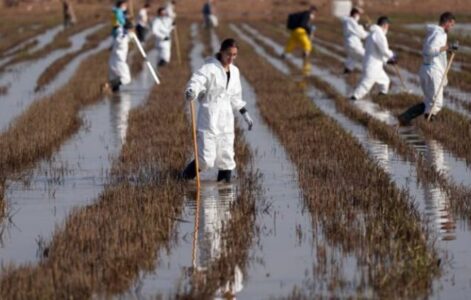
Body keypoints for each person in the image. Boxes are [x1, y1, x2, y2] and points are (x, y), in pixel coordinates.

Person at [182, 38, 254, 183]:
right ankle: (183, 179)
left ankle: (224, 193)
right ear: (221, 51)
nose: (231, 58)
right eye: (228, 54)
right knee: (206, 160)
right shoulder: (209, 68)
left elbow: (234, 96)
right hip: (209, 116)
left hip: (226, 118)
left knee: (227, 157)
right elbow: (197, 81)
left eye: (234, 55)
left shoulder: (235, 71)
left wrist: (244, 112)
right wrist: (191, 91)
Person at [398, 12, 457, 125]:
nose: (452, 27)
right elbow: (429, 50)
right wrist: (447, 47)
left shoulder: (435, 32)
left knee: (429, 101)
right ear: (447, 22)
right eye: (452, 24)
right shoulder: (438, 34)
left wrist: (446, 50)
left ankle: (405, 117)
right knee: (437, 103)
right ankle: (428, 126)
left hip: (427, 69)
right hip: (432, 71)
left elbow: (435, 49)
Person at [350, 16, 397, 101]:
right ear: (384, 25)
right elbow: (383, 49)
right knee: (364, 87)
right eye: (388, 25)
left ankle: (382, 99)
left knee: (385, 81)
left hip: (376, 65)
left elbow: (377, 51)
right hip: (372, 66)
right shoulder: (378, 34)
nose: (388, 27)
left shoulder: (374, 33)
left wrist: (388, 60)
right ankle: (352, 101)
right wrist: (392, 56)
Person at [281, 5, 317, 75]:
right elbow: (303, 24)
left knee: (291, 43)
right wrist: (309, 30)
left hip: (294, 31)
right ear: (312, 11)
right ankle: (306, 61)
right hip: (299, 31)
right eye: (314, 12)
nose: (314, 14)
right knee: (307, 44)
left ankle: (284, 55)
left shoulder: (303, 13)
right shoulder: (307, 14)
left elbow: (302, 23)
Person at [108, 20, 133, 93]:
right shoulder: (122, 37)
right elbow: (121, 41)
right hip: (119, 61)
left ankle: (115, 99)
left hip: (113, 60)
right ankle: (108, 85)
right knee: (126, 79)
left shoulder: (120, 31)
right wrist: (129, 37)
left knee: (115, 82)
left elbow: (119, 29)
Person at [342, 7, 368, 74]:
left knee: (353, 56)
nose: (359, 16)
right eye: (358, 14)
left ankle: (348, 69)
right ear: (355, 14)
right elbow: (361, 33)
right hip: (353, 44)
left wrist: (363, 27)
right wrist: (369, 34)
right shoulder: (351, 21)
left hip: (349, 44)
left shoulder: (348, 21)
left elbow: (357, 28)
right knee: (368, 57)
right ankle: (369, 73)